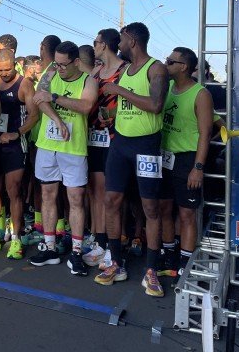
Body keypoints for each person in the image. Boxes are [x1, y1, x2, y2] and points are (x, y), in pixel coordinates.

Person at [101, 22, 169, 296]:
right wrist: (113, 118)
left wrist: (119, 91)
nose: (117, 43)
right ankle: (116, 261)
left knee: (150, 207)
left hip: (146, 146)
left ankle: (152, 269)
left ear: (132, 39)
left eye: (120, 39)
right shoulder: (125, 70)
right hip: (120, 144)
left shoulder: (156, 68)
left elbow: (155, 105)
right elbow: (131, 108)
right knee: (111, 201)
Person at [29, 41, 97, 276]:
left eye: (63, 65)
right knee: (48, 194)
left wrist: (55, 97)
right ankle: (49, 248)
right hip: (48, 145)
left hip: (74, 148)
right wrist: (57, 120)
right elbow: (40, 98)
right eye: (55, 63)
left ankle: (76, 252)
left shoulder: (88, 81)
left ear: (76, 62)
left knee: (75, 198)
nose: (58, 68)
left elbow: (85, 106)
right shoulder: (50, 73)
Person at [157, 47, 212, 278]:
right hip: (164, 157)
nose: (166, 64)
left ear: (184, 67)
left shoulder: (201, 94)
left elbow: (205, 133)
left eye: (170, 61)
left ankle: (186, 261)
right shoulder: (167, 88)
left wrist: (197, 168)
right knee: (164, 209)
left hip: (187, 160)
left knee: (187, 214)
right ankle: (169, 253)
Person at [0, 48, 39, 259]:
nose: (4, 73)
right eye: (0, 70)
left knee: (13, 190)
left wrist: (17, 133)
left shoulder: (24, 84)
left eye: (8, 69)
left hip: (15, 145)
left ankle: (16, 238)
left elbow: (34, 115)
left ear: (15, 66)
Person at [82, 29, 126, 268]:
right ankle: (100, 242)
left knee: (112, 197)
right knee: (96, 192)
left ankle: (113, 247)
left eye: (96, 42)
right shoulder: (96, 72)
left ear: (105, 45)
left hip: (116, 139)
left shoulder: (125, 71)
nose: (94, 45)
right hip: (93, 137)